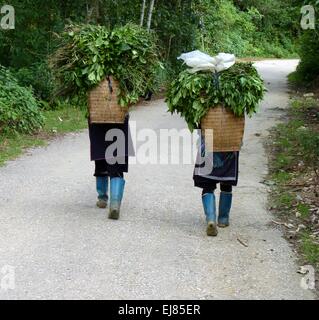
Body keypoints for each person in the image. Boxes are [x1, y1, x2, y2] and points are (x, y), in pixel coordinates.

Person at [88, 114, 133, 220]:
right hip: (119, 120)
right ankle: (115, 204)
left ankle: (102, 198)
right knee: (117, 162)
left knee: (100, 154)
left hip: (97, 117)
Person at [193, 134, 239, 236]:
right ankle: (223, 218)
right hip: (229, 140)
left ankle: (211, 219)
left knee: (207, 184)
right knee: (226, 181)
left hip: (209, 140)